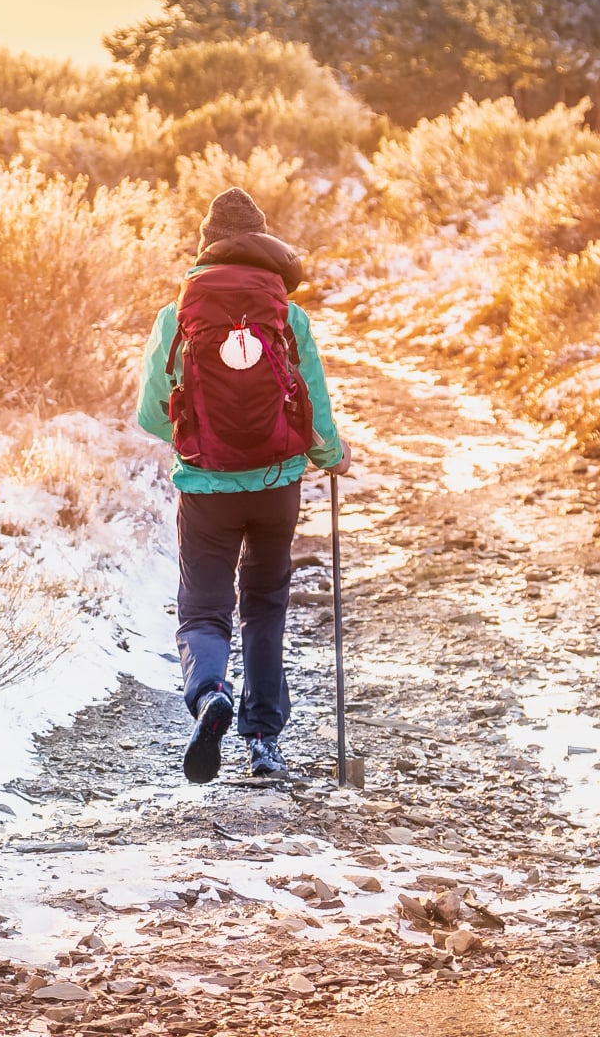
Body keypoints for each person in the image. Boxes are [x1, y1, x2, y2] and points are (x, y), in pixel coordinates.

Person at [136, 187, 350, 784]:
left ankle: (208, 694)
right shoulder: (288, 315)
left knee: (203, 607)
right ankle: (262, 741)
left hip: (205, 488)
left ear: (206, 246)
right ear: (263, 245)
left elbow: (150, 414)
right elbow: (313, 405)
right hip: (277, 486)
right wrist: (333, 455)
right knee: (265, 605)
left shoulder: (176, 315)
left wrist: (196, 440)